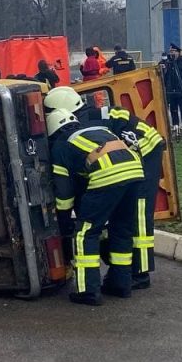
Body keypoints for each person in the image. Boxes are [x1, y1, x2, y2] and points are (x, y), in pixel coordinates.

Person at [46, 108, 145, 304]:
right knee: (122, 228)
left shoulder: (60, 145)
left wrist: (64, 220)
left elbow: (64, 193)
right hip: (135, 171)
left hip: (107, 174)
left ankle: (88, 291)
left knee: (85, 232)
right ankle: (121, 284)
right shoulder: (96, 129)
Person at [163, 44, 182, 134]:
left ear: (178, 52)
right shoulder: (168, 62)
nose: (171, 53)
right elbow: (165, 76)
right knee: (173, 109)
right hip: (171, 90)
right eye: (170, 51)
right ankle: (175, 126)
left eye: (173, 51)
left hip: (181, 90)